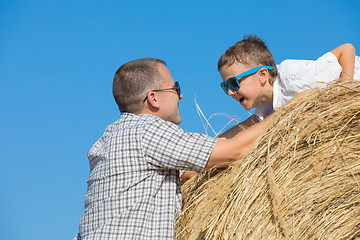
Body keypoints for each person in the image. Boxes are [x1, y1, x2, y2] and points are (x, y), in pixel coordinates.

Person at [74, 58, 273, 239]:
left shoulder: (111, 138)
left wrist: (255, 120)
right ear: (153, 98)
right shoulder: (147, 130)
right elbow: (234, 152)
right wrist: (289, 109)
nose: (181, 95)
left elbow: (196, 164)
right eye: (175, 88)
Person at [218, 35, 360, 133]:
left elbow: (346, 49)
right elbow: (245, 128)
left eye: (233, 83)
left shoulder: (291, 77)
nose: (230, 92)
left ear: (262, 75)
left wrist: (343, 95)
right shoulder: (264, 106)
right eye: (225, 87)